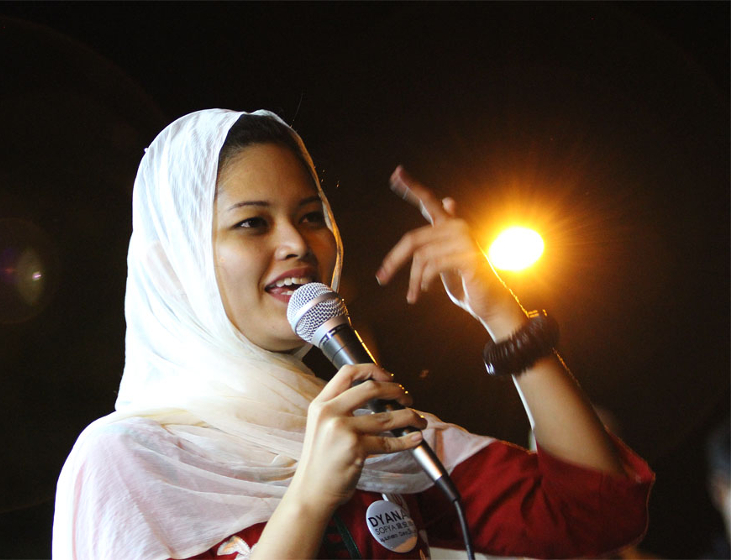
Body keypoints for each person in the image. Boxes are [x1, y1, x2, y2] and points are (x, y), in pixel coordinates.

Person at [52, 109, 654, 559]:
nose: (296, 244)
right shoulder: (129, 460)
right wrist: (310, 497)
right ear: (173, 266)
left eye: (311, 216)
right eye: (253, 223)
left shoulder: (373, 435)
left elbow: (596, 512)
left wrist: (501, 314)